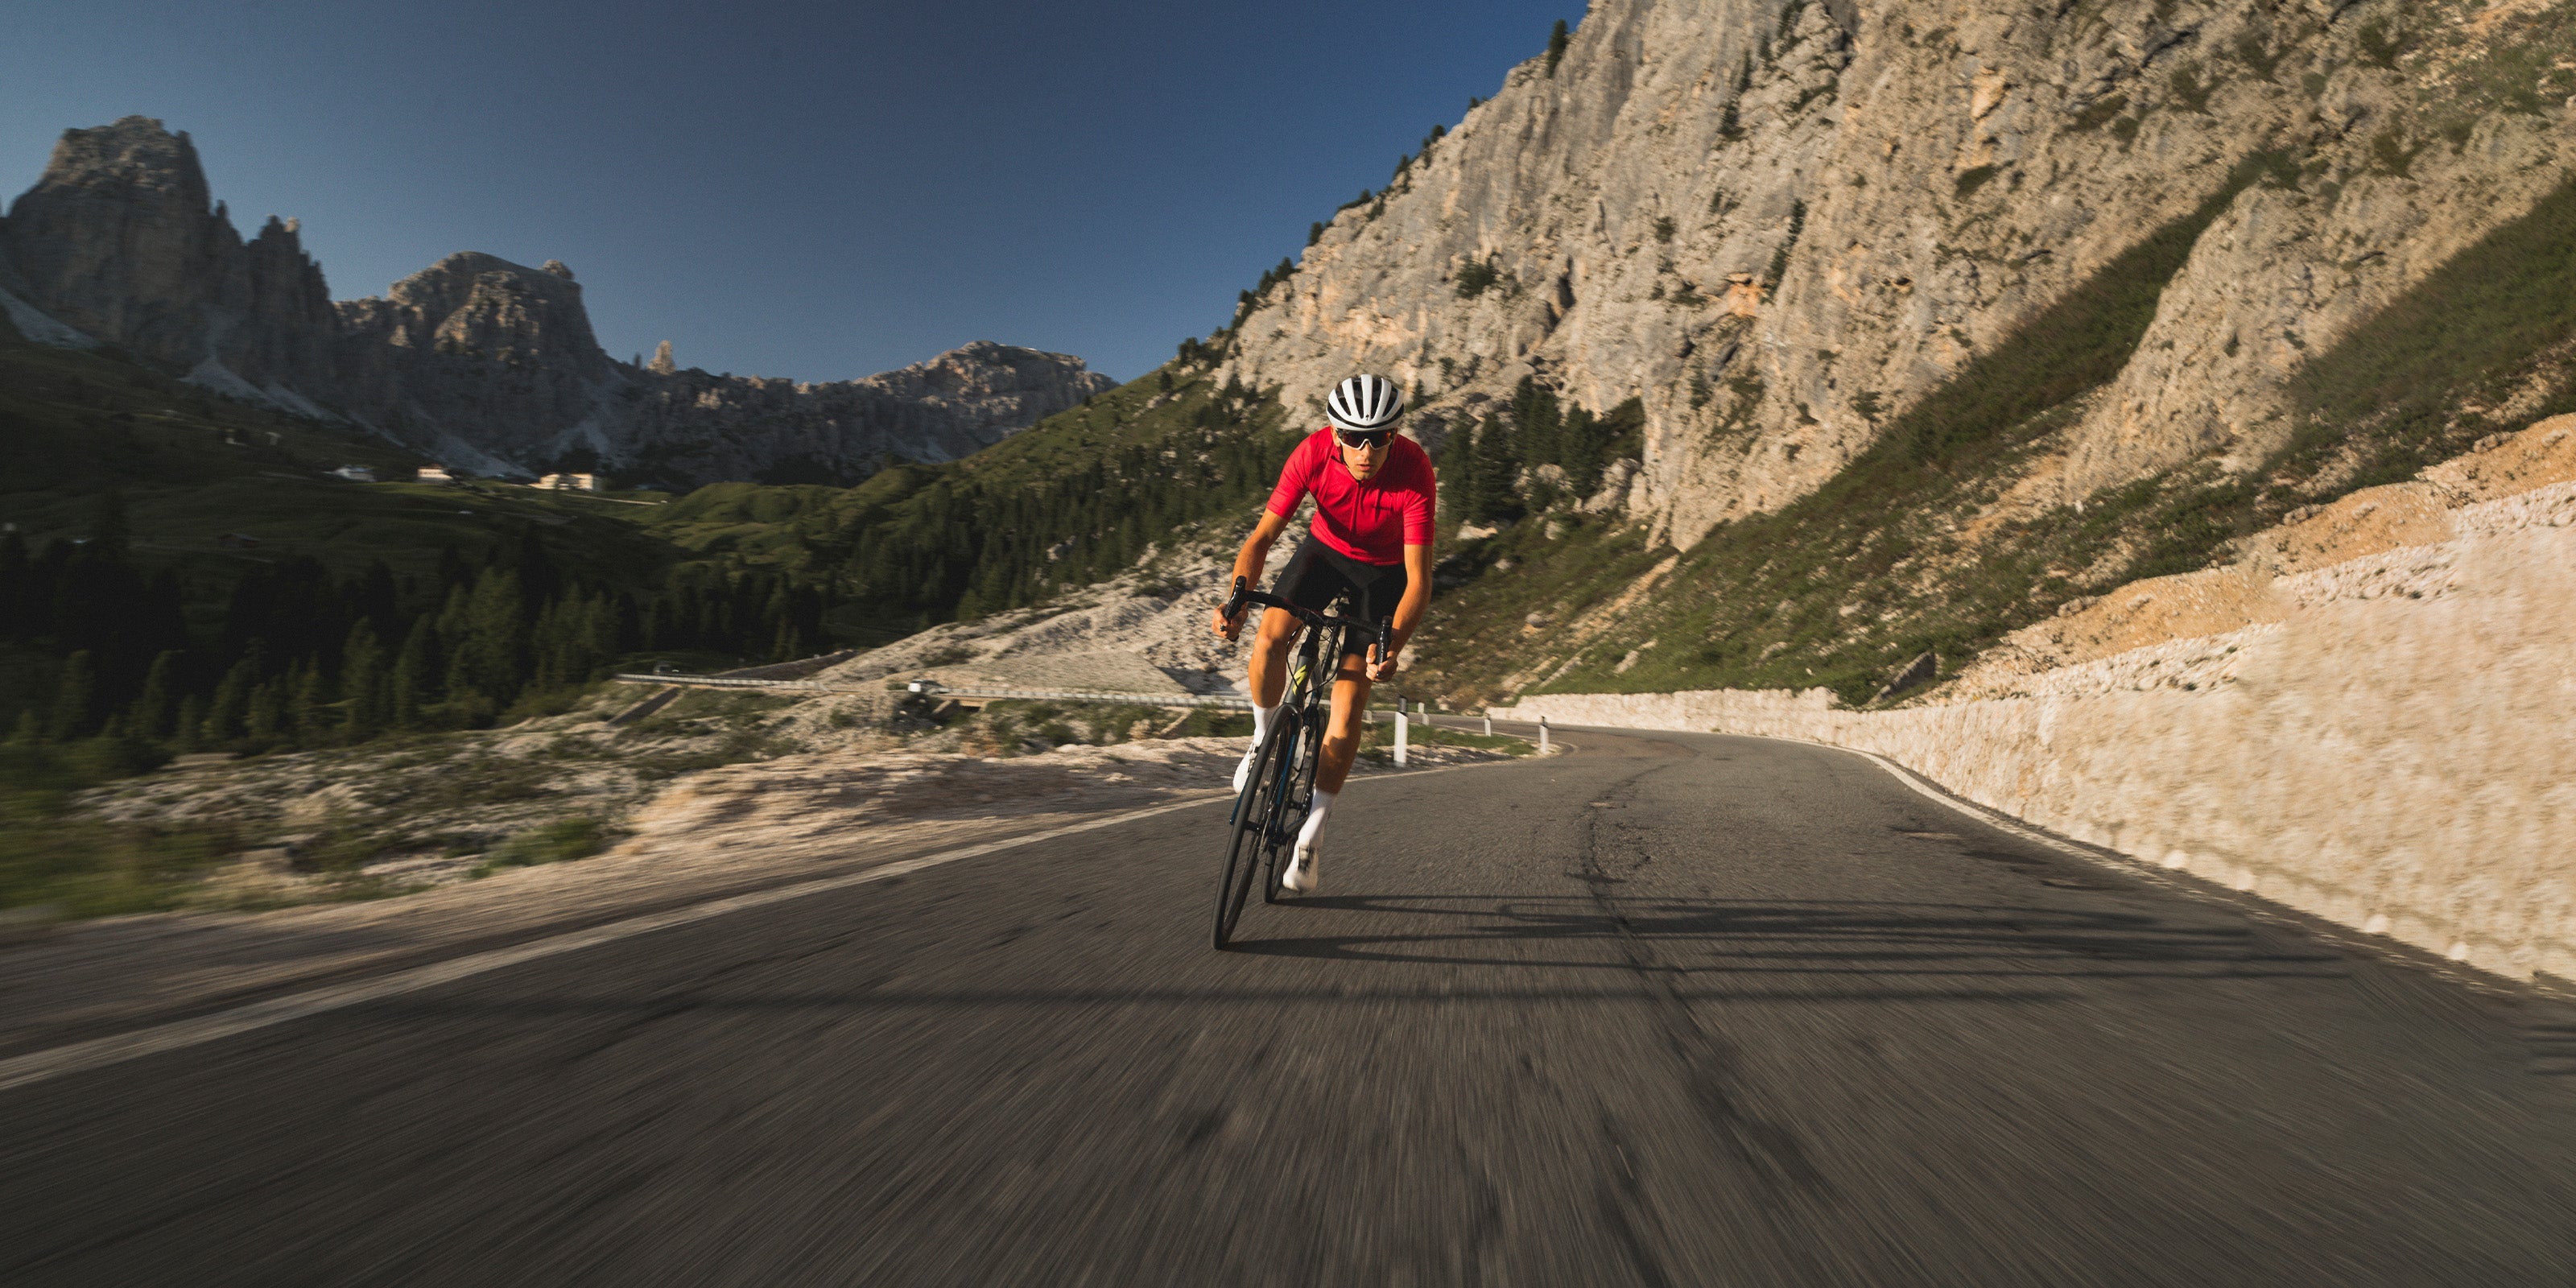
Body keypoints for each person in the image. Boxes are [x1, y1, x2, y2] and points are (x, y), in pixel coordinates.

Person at [1208, 374, 1435, 894]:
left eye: (1378, 438)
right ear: (1334, 435)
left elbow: (1419, 581)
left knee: (1349, 703)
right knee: (1269, 639)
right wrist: (1237, 598)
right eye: (1353, 437)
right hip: (1324, 554)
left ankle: (1312, 832)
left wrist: (1391, 645)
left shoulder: (1414, 470)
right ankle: (1264, 738)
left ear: (1394, 437)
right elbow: (1263, 536)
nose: (1365, 450)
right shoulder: (1312, 453)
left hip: (1383, 576)